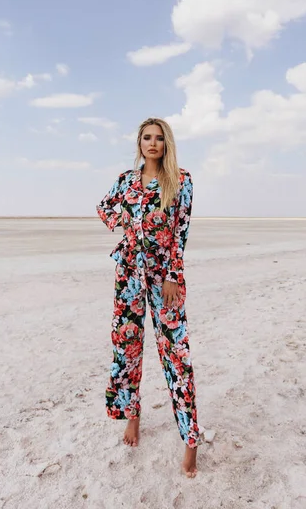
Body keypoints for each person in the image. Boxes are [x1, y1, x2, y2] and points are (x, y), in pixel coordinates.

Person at [96, 117, 199, 477]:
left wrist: (172, 274)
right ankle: (132, 417)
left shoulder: (180, 180)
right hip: (127, 275)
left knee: (176, 355)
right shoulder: (126, 180)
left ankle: (189, 439)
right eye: (146, 138)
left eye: (158, 138)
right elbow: (104, 208)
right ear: (139, 143)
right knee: (127, 350)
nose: (152, 144)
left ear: (166, 142)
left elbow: (180, 231)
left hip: (164, 278)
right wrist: (125, 222)